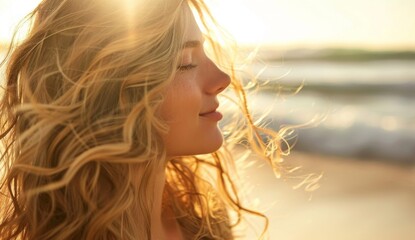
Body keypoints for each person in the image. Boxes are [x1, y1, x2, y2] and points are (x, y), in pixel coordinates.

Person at [0, 0, 290, 239]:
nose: (222, 79)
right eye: (185, 63)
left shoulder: (204, 224)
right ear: (108, 92)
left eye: (206, 54)